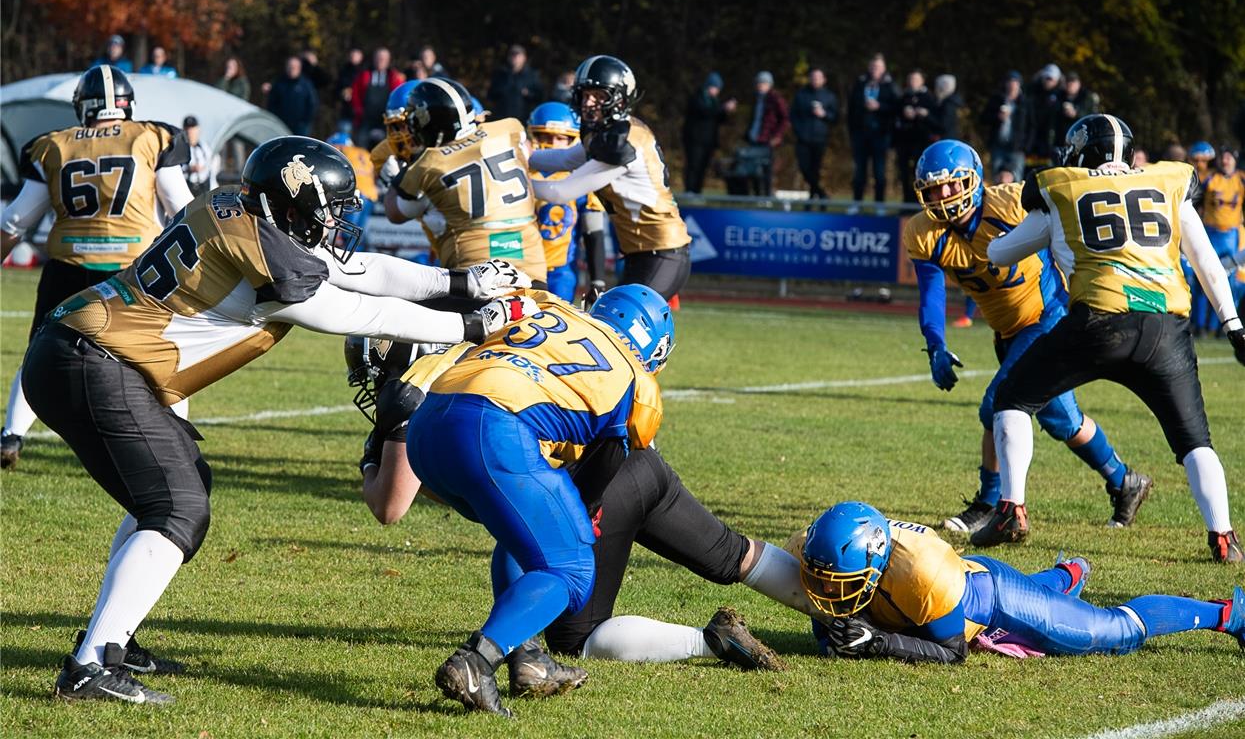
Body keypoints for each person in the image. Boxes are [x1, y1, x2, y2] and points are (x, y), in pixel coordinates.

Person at [31, 136, 536, 704]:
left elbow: (359, 270)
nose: (333, 225)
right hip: (94, 359)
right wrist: (472, 324)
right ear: (288, 207)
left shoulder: (240, 210)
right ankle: (90, 666)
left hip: (86, 351)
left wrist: (457, 284)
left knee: (179, 492)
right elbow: (354, 308)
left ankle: (110, 641)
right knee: (176, 507)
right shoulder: (263, 249)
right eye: (324, 212)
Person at [342, 338, 809, 671]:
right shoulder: (507, 336)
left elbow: (391, 504)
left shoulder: (424, 380)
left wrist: (374, 455)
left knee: (567, 611)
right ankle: (854, 614)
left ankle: (709, 643)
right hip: (641, 459)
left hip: (595, 469)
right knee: (732, 552)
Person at [974, 114, 1245, 563]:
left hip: (1099, 324)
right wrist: (1233, 324)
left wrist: (1045, 227)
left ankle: (1011, 509)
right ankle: (1224, 537)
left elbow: (998, 253)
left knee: (1012, 398)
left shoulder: (1064, 189)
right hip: (1166, 331)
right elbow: (1207, 263)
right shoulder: (1168, 183)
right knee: (1195, 441)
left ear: (1081, 152)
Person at [405, 284, 673, 716]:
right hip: (491, 430)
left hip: (427, 424)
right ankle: (477, 662)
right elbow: (599, 476)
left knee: (524, 537)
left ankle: (528, 659)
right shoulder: (636, 383)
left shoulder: (551, 306)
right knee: (571, 567)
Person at [904, 139, 1147, 535]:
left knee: (998, 405)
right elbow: (931, 294)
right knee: (1062, 420)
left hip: (1049, 316)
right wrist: (936, 344)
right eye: (933, 187)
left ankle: (989, 504)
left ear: (974, 179)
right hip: (1007, 333)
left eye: (951, 184)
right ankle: (1125, 481)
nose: (943, 195)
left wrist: (1104, 172)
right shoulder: (923, 232)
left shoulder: (1013, 202)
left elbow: (1067, 189)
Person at [0, 66, 194, 470]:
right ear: (127, 106)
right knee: (160, 353)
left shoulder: (53, 145)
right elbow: (181, 208)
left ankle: (11, 435)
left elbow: (17, 220)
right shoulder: (152, 137)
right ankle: (179, 440)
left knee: (41, 352)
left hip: (69, 268)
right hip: (135, 271)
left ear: (81, 108)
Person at [794, 502, 1245, 663]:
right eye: (824, 580)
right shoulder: (817, 546)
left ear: (873, 564)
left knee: (1107, 632)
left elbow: (951, 653)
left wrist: (879, 643)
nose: (826, 592)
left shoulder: (921, 573)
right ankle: (1066, 576)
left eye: (839, 583)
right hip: (957, 581)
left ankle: (1228, 613)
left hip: (992, 600)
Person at [527, 56, 692, 302]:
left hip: (661, 253)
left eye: (599, 95)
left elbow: (560, 192)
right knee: (611, 332)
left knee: (616, 332)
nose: (589, 102)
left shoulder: (622, 141)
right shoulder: (608, 131)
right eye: (585, 95)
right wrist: (517, 157)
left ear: (620, 98)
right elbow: (563, 160)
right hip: (643, 254)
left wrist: (506, 182)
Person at [385, 78, 547, 285]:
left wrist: (396, 179)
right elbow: (527, 151)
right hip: (532, 268)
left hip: (474, 274)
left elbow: (395, 212)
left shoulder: (428, 163)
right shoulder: (507, 129)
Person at [528, 102, 608, 302]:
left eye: (560, 138)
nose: (552, 144)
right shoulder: (518, 171)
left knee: (556, 326)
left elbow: (593, 232)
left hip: (561, 271)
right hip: (522, 267)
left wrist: (597, 279)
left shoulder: (581, 176)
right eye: (544, 136)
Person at [1192, 147, 1245, 333]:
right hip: (1209, 233)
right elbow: (1193, 200)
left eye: (1229, 157)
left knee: (1226, 284)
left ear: (1235, 160)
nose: (1225, 161)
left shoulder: (1241, 179)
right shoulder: (1209, 178)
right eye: (1223, 157)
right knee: (1202, 279)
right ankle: (1200, 326)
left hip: (1230, 236)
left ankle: (1221, 327)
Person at [847, 53, 899, 202]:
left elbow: (896, 108)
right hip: (860, 134)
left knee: (879, 171)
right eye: (872, 66)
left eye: (878, 67)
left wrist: (879, 106)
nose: (875, 69)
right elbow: (851, 108)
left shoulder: (890, 85)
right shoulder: (860, 83)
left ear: (884, 68)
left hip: (881, 134)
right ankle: (856, 202)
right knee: (859, 171)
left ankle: (879, 204)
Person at [682, 72, 736, 194]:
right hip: (695, 139)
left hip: (709, 141)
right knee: (693, 165)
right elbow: (706, 112)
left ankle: (697, 191)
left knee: (702, 167)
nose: (716, 91)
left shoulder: (714, 101)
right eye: (715, 87)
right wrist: (723, 108)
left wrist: (726, 111)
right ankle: (689, 190)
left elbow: (719, 118)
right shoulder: (698, 97)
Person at [790, 67, 839, 200]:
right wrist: (799, 131)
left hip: (820, 138)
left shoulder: (829, 96)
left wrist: (824, 114)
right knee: (804, 168)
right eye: (813, 77)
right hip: (803, 138)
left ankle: (812, 200)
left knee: (815, 170)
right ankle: (821, 194)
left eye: (818, 77)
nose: (815, 80)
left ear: (824, 80)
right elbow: (793, 115)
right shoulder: (801, 94)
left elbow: (835, 117)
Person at [893, 69, 938, 203]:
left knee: (920, 173)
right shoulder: (903, 97)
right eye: (911, 80)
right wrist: (904, 115)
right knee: (904, 172)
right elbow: (895, 117)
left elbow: (936, 122)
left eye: (916, 80)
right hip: (904, 141)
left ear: (922, 81)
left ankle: (922, 201)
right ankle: (906, 200)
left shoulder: (929, 98)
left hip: (922, 142)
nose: (913, 82)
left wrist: (924, 114)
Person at [742, 71, 790, 197]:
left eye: (763, 83)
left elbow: (785, 118)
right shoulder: (756, 98)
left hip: (767, 140)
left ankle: (767, 196)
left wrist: (777, 136)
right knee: (753, 170)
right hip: (754, 139)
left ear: (769, 84)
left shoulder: (775, 99)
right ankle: (757, 196)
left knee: (766, 170)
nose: (760, 85)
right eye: (758, 83)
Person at [979, 71, 1028, 183]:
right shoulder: (997, 99)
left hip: (1017, 148)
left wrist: (1026, 146)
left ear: (1019, 84)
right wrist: (997, 116)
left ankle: (1015, 200)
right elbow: (983, 119)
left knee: (1016, 180)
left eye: (1015, 82)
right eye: (1010, 82)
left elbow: (1032, 126)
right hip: (998, 146)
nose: (1012, 85)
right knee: (997, 178)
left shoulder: (1025, 102)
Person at [351, 47, 405, 145]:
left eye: (383, 58)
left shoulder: (394, 77)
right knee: (360, 145)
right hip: (366, 119)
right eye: (378, 58)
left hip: (387, 121)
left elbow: (400, 96)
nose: (381, 61)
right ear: (374, 59)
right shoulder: (364, 75)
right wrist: (358, 110)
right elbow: (355, 94)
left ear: (388, 61)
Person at [487, 44, 544, 123]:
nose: (514, 58)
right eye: (512, 55)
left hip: (523, 120)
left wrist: (528, 94)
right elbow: (490, 95)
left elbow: (540, 97)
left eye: (517, 55)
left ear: (524, 57)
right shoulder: (500, 74)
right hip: (502, 120)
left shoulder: (532, 75)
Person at [266, 56, 319, 136]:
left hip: (301, 127)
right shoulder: (279, 83)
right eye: (290, 67)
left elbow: (312, 104)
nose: (291, 69)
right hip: (281, 124)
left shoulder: (306, 85)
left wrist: (305, 121)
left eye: (294, 67)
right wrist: (275, 119)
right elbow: (272, 103)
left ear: (299, 68)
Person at [1051, 72, 1099, 154]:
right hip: (1061, 141)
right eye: (1068, 82)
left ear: (1078, 83)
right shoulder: (1058, 96)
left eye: (1073, 82)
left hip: (1082, 141)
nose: (1070, 85)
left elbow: (1093, 117)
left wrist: (1076, 113)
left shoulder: (1087, 96)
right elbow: (1052, 117)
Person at [1026, 63, 1064, 164]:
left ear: (1057, 80)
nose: (1048, 81)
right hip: (1032, 141)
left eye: (1051, 79)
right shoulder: (1033, 91)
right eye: (1046, 78)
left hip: (1051, 142)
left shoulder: (1062, 95)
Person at [180, 116, 217, 197]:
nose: (190, 132)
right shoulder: (180, 149)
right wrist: (189, 169)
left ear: (198, 129)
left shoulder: (204, 147)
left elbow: (211, 168)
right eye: (187, 129)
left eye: (193, 129)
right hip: (187, 189)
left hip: (204, 188)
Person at [335, 48, 366, 135]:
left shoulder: (365, 73)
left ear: (361, 57)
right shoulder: (343, 72)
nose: (353, 58)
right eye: (352, 55)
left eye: (356, 55)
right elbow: (336, 90)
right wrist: (342, 93)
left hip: (361, 114)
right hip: (347, 112)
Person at [930, 74, 961, 141]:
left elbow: (944, 125)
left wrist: (927, 115)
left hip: (945, 139)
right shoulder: (950, 101)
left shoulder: (949, 103)